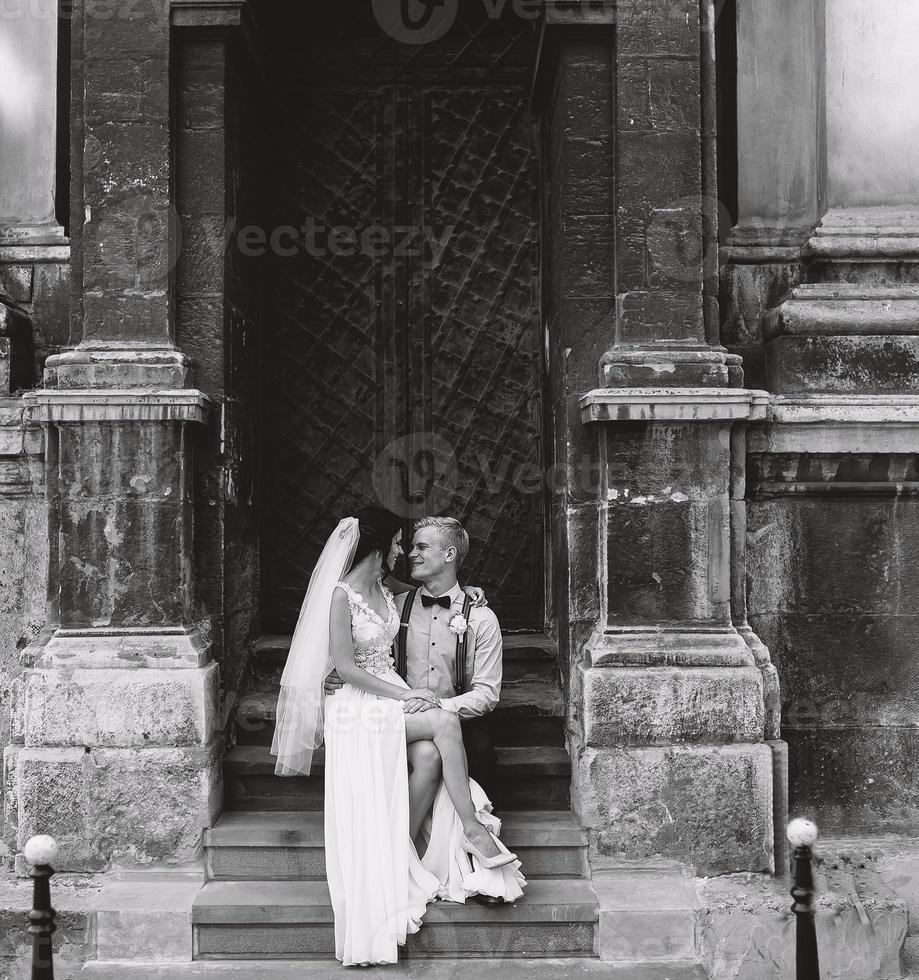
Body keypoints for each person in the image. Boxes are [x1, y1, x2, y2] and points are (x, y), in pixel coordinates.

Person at [270, 506, 524, 967]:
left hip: (393, 698)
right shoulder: (345, 593)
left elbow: (481, 684)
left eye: (416, 546)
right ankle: (473, 831)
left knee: (428, 755)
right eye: (400, 543)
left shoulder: (397, 593)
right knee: (443, 724)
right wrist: (384, 690)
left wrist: (468, 596)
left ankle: (397, 853)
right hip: (361, 702)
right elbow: (346, 666)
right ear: (379, 545)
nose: (405, 551)